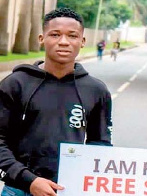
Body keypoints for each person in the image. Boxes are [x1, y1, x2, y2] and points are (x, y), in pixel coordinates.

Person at [0, 7, 113, 196]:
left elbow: (100, 143)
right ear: (41, 39)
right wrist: (29, 180)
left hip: (69, 190)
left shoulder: (96, 90)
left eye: (72, 36)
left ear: (82, 41)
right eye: (55, 34)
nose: (63, 42)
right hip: (18, 189)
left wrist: (82, 179)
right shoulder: (15, 84)